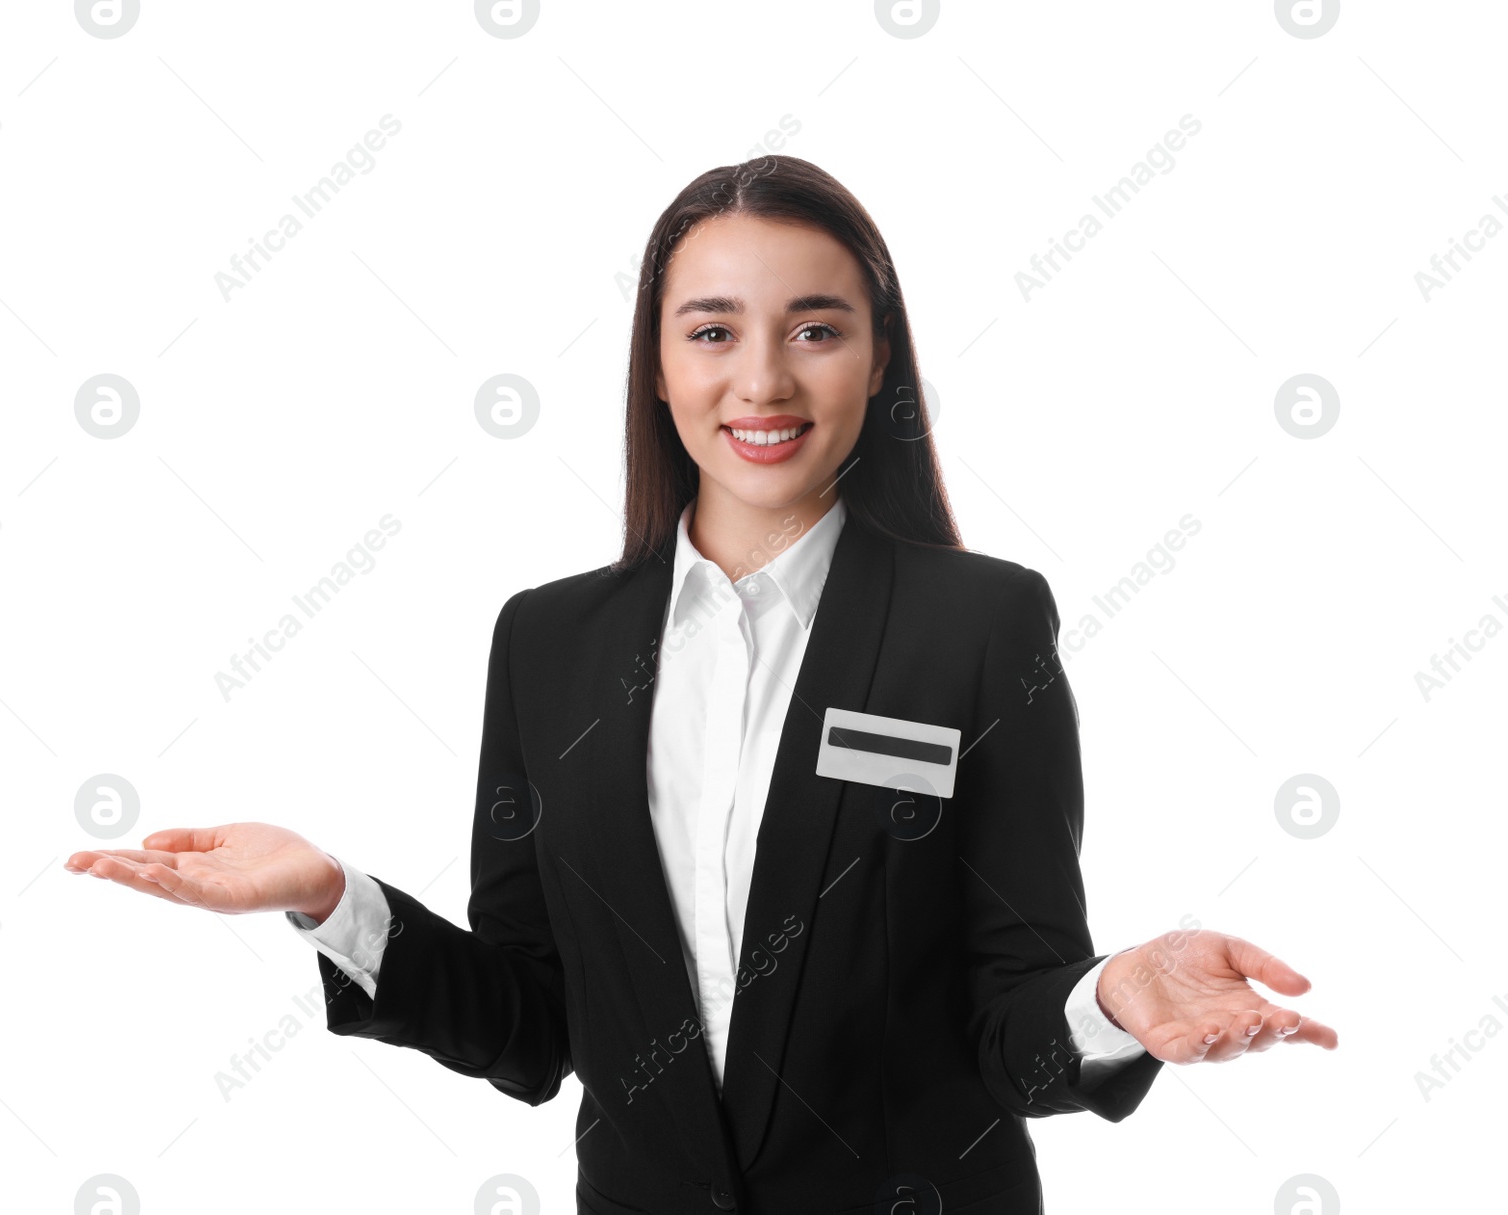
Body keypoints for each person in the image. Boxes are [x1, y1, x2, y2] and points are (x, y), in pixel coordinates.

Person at [67, 155, 1337, 1214]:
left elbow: (1012, 1025)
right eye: (714, 330)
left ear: (879, 358)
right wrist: (331, 898)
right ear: (658, 364)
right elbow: (531, 1024)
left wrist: (1114, 998)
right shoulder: (547, 644)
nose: (764, 381)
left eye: (816, 330)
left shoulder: (981, 624)